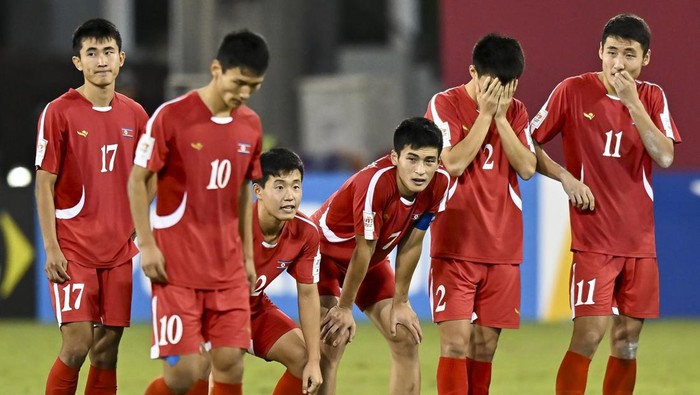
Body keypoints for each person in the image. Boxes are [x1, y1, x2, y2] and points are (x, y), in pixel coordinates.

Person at [529, 14, 681, 394]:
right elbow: (527, 141)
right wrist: (564, 176)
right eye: (611, 52)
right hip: (594, 238)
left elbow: (664, 156)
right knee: (589, 335)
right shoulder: (572, 90)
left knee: (627, 341)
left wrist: (632, 104)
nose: (618, 62)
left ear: (645, 58)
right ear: (599, 51)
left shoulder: (652, 97)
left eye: (629, 54)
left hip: (639, 242)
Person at [127, 29, 269, 395]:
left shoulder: (250, 125)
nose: (244, 93)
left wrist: (248, 257)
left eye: (254, 86)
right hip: (177, 270)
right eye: (239, 82)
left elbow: (242, 192)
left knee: (230, 363)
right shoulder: (171, 117)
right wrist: (147, 244)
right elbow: (136, 181)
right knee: (185, 374)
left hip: (228, 268)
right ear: (216, 68)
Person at [34, 18, 149, 395]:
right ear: (77, 62)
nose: (101, 60)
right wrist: (52, 247)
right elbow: (44, 183)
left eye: (108, 52)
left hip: (118, 250)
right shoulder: (59, 112)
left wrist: (136, 221)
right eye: (91, 53)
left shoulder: (136, 115)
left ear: (121, 59)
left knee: (107, 351)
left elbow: (152, 176)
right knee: (78, 343)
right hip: (74, 248)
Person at [424, 33, 536, 395]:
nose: (502, 94)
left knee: (485, 347)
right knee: (455, 343)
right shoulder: (444, 104)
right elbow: (452, 162)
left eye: (510, 86)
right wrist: (485, 116)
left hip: (502, 247)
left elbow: (528, 167)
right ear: (473, 72)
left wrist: (501, 119)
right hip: (456, 243)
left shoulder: (516, 111)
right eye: (493, 85)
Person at [311, 117, 451, 395]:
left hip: (370, 261)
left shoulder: (440, 183)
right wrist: (344, 308)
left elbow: (413, 242)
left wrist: (401, 301)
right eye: (412, 159)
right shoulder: (375, 183)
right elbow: (364, 247)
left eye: (429, 160)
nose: (421, 170)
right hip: (323, 256)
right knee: (332, 340)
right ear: (395, 157)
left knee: (406, 337)